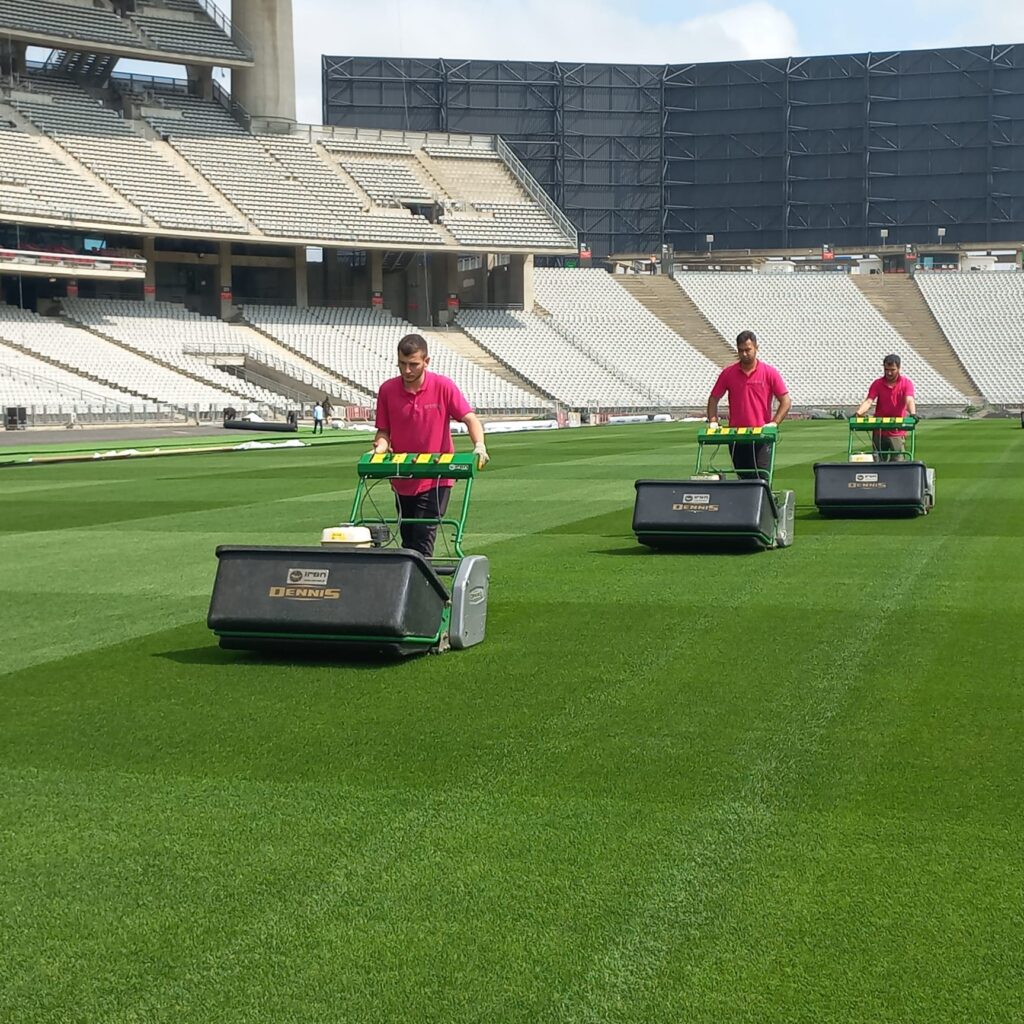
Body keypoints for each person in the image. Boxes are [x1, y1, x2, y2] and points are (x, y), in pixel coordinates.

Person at [372, 333, 489, 557]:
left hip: (436, 475)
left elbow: (469, 418)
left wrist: (479, 446)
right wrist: (379, 449)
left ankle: (422, 588)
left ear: (426, 362)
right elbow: (384, 431)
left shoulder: (443, 386)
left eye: (413, 364)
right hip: (403, 475)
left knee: (423, 536)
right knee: (407, 538)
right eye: (402, 364)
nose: (407, 370)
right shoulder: (388, 390)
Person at [706, 330, 792, 480]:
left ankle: (763, 502)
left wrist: (774, 423)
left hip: (761, 435)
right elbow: (713, 398)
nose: (745, 354)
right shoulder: (728, 373)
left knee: (761, 477)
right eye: (741, 350)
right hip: (737, 436)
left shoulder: (769, 373)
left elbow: (786, 400)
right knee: (743, 478)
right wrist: (713, 421)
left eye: (748, 350)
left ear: (756, 348)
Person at [853, 353, 917, 461]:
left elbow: (909, 399)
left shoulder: (906, 383)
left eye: (892, 370)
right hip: (880, 429)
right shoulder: (877, 383)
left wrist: (913, 413)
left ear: (899, 368)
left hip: (896, 429)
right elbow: (869, 400)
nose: (889, 373)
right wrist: (858, 413)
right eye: (887, 369)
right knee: (878, 461)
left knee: (897, 461)